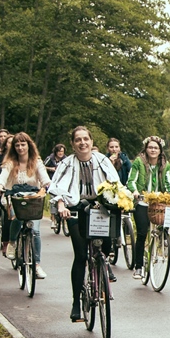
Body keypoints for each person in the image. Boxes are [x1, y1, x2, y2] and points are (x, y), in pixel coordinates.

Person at [49, 125, 122, 322]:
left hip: (100, 208)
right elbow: (57, 188)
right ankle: (76, 303)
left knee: (106, 246)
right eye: (78, 140)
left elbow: (115, 184)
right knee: (80, 255)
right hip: (76, 209)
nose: (82, 143)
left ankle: (102, 266)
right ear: (73, 144)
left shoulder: (102, 161)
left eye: (86, 139)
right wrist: (62, 205)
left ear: (91, 142)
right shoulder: (67, 164)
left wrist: (123, 199)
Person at [0, 132, 50, 278]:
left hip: (33, 199)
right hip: (14, 197)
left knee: (35, 231)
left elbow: (44, 178)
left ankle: (36, 265)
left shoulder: (36, 162)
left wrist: (49, 186)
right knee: (16, 218)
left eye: (23, 144)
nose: (20, 147)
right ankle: (12, 242)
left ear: (29, 145)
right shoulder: (10, 163)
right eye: (17, 145)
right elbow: (3, 176)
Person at [126, 135, 170, 280]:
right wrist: (135, 192)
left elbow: (169, 183)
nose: (153, 150)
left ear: (160, 151)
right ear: (146, 149)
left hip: (158, 202)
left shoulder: (165, 165)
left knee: (164, 221)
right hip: (142, 201)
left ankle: (164, 238)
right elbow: (131, 180)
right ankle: (139, 267)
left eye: (156, 148)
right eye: (150, 147)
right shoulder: (138, 162)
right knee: (141, 233)